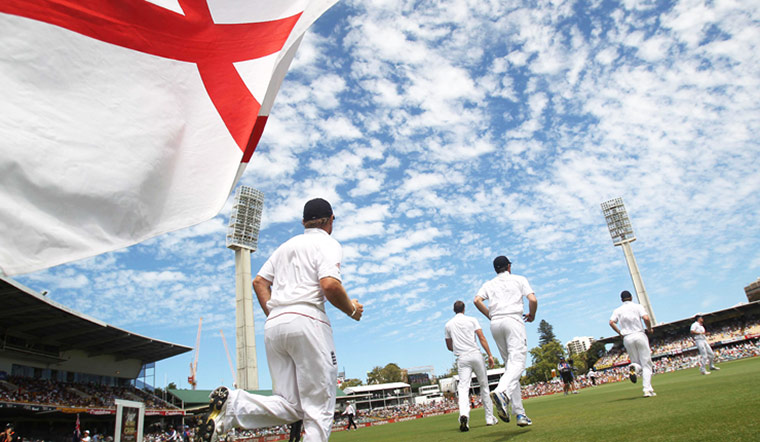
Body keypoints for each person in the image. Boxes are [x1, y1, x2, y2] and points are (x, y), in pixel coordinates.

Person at [200, 198, 364, 442]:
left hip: (275, 324)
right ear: (331, 220)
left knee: (292, 405)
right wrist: (351, 309)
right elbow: (329, 285)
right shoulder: (328, 243)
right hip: (308, 320)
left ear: (303, 222)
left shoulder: (285, 246)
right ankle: (233, 407)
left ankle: (233, 406)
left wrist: (279, 314)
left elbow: (259, 282)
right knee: (318, 409)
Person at [474, 256, 537, 427]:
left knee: (511, 367)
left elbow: (476, 300)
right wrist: (532, 315)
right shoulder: (519, 279)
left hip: (495, 324)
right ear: (509, 267)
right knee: (518, 364)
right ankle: (502, 392)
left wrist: (490, 315)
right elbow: (533, 299)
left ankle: (520, 414)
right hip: (513, 320)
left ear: (496, 269)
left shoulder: (489, 284)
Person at [444, 300, 498, 432]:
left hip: (462, 357)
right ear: (464, 309)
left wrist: (458, 347)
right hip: (475, 354)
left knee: (463, 388)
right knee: (484, 386)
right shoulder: (472, 320)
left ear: (454, 310)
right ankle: (489, 418)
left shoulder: (448, 325)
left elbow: (449, 346)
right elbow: (481, 337)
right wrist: (490, 355)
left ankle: (464, 416)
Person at [609, 290, 656, 397]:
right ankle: (647, 389)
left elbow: (611, 322)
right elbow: (646, 318)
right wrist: (649, 329)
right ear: (631, 297)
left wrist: (620, 332)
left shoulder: (618, 310)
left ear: (621, 300)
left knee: (636, 362)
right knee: (646, 364)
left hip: (627, 338)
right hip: (639, 334)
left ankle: (634, 367)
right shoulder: (638, 306)